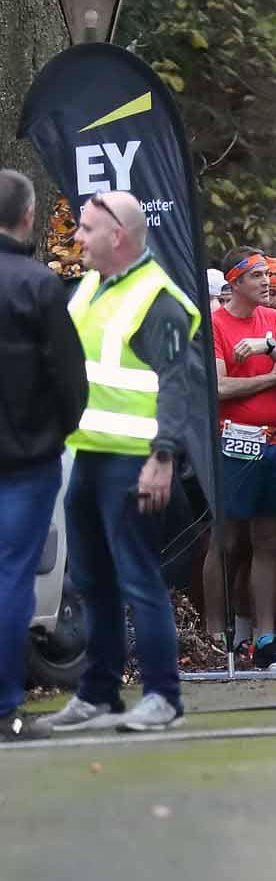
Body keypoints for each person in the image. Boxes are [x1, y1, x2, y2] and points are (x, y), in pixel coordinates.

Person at [44, 190, 201, 733]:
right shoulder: (89, 287)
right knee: (91, 580)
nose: (77, 238)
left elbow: (178, 387)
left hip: (134, 461)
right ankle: (98, 693)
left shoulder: (159, 299)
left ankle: (163, 697)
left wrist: (163, 458)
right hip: (88, 455)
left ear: (118, 237)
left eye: (86, 229)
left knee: (139, 579)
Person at [0, 170, 87, 741]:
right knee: (12, 578)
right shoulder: (37, 284)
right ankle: (6, 703)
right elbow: (70, 379)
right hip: (27, 459)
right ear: (29, 217)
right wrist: (56, 434)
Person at [205, 246, 276, 668]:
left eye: (266, 275)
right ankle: (215, 633)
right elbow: (219, 389)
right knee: (228, 540)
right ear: (234, 282)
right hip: (231, 441)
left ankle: (266, 635)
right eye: (256, 275)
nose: (265, 282)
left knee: (269, 539)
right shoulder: (216, 324)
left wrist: (270, 349)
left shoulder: (275, 320)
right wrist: (274, 377)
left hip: (274, 441)